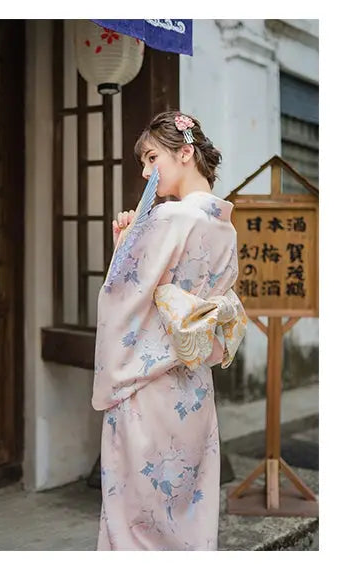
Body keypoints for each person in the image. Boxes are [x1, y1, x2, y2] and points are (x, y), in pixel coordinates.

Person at [92, 111, 248, 550]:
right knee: (187, 511)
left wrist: (124, 246)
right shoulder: (224, 225)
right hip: (193, 384)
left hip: (149, 383)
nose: (145, 172)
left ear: (185, 152)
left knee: (136, 518)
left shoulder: (167, 219)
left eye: (151, 157)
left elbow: (123, 297)